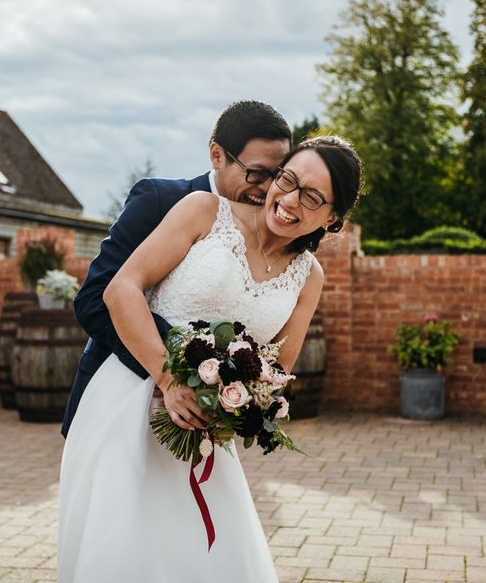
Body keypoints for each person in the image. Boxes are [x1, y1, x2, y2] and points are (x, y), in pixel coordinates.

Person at [58, 135, 363, 582]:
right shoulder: (204, 211)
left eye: (312, 197)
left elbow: (275, 368)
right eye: (288, 179)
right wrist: (169, 379)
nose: (289, 200)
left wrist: (237, 406)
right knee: (124, 550)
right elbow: (120, 289)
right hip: (127, 402)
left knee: (203, 559)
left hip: (205, 433)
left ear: (333, 218)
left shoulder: (309, 277)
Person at [61, 100, 293, 438]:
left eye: (278, 176)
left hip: (201, 425)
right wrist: (183, 366)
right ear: (217, 155)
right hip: (117, 404)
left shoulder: (269, 234)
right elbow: (94, 299)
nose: (267, 188)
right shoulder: (158, 199)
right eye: (257, 174)